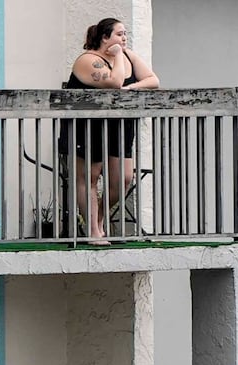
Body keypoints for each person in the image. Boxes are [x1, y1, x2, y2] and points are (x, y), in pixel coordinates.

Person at [58, 17, 160, 242]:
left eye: (125, 34)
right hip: (87, 125)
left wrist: (132, 87)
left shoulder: (128, 55)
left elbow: (153, 80)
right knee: (90, 177)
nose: (124, 39)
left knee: (122, 178)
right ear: (105, 37)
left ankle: (99, 218)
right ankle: (94, 232)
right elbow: (114, 83)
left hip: (118, 125)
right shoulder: (88, 60)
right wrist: (115, 56)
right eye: (119, 34)